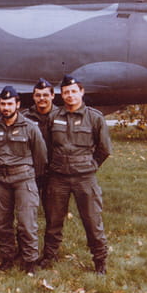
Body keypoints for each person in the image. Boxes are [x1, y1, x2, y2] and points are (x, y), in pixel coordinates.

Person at [40, 75, 111, 275]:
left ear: (81, 92)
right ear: (61, 95)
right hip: (58, 177)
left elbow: (104, 149)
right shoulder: (54, 116)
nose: (70, 95)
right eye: (66, 92)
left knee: (92, 221)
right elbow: (47, 146)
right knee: (53, 220)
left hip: (84, 178)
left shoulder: (94, 117)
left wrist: (91, 165)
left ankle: (100, 260)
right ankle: (49, 255)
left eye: (73, 91)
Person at [0, 86, 47, 273]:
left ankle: (30, 261)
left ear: (18, 105)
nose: (6, 108)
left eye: (9, 104)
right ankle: (7, 257)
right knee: (2, 222)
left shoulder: (30, 127)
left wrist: (31, 178)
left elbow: (41, 156)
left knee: (26, 223)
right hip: (1, 179)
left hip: (23, 179)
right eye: (3, 104)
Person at [22, 78, 58, 219]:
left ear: (52, 96)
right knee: (27, 211)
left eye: (45, 95)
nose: (41, 98)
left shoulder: (61, 116)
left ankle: (52, 235)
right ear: (33, 97)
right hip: (32, 171)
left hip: (54, 172)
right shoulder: (25, 117)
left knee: (53, 214)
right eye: (38, 95)